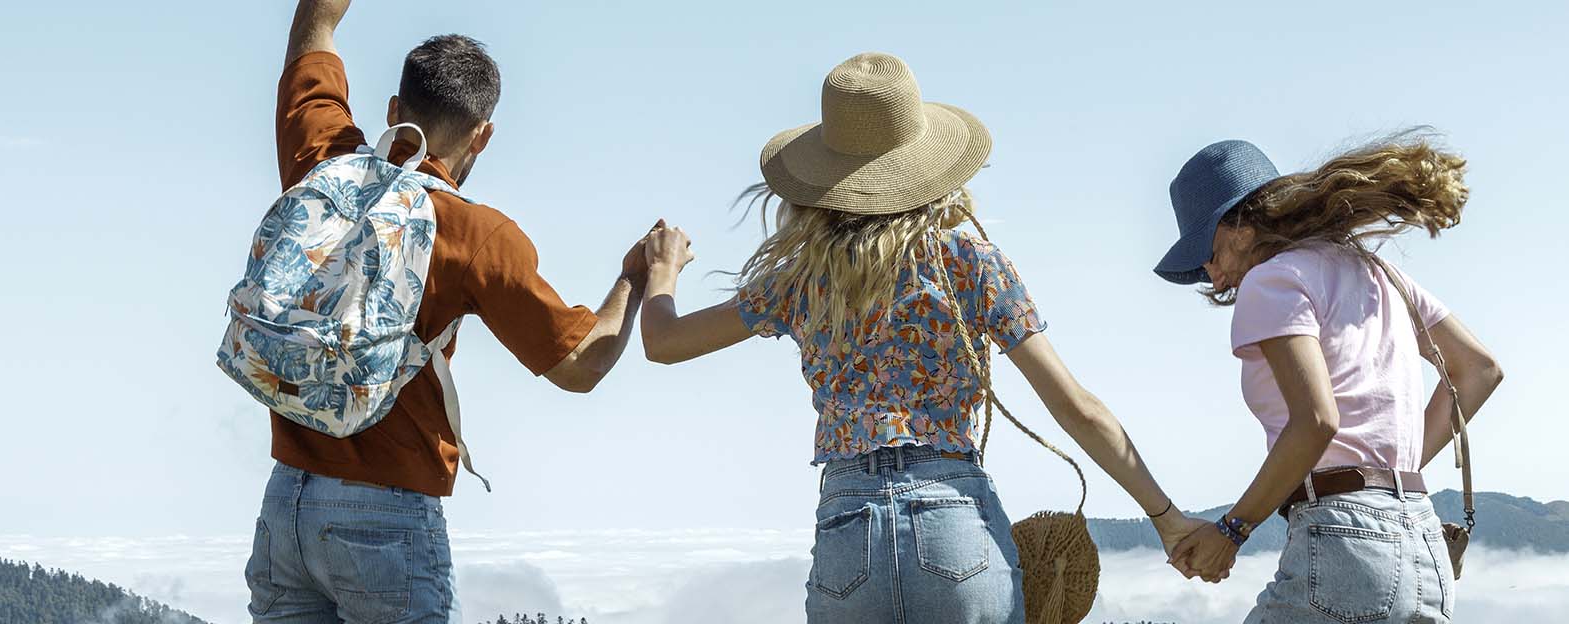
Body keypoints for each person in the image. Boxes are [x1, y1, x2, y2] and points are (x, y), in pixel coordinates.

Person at [639, 52, 1206, 623]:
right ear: (927, 166)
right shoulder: (971, 262)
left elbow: (663, 344)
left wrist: (663, 268)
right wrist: (1166, 517)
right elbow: (1075, 407)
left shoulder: (803, 280)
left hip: (847, 524)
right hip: (955, 517)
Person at [242, 1, 655, 621]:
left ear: (392, 111)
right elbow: (582, 364)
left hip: (285, 507)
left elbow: (312, 35)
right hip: (386, 514)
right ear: (483, 134)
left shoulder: (323, 162)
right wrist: (639, 275)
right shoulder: (475, 234)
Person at [1156, 137, 1505, 623]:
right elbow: (1479, 370)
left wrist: (1231, 531)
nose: (1210, 276)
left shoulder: (1272, 280)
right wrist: (1384, 476)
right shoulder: (1381, 273)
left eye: (1207, 252)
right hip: (1426, 547)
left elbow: (1317, 420)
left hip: (1345, 546)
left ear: (1239, 226)